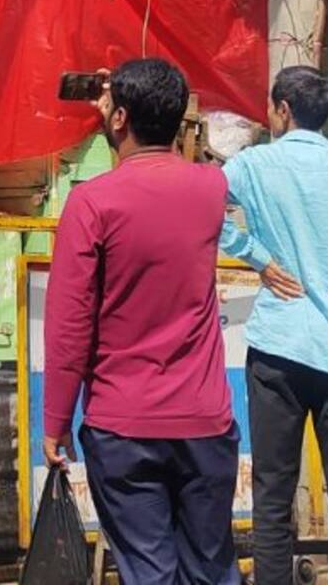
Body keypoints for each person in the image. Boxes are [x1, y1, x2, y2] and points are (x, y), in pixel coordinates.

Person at [41, 58, 241, 585]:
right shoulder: (210, 189)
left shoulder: (92, 203)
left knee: (149, 572)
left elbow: (69, 324)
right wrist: (128, 104)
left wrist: (56, 421)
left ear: (120, 118)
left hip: (122, 424)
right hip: (204, 422)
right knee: (212, 568)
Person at [218, 66, 328, 585]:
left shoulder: (252, 165)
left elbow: (208, 210)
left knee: (273, 495)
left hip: (276, 349)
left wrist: (256, 256)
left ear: (282, 110)